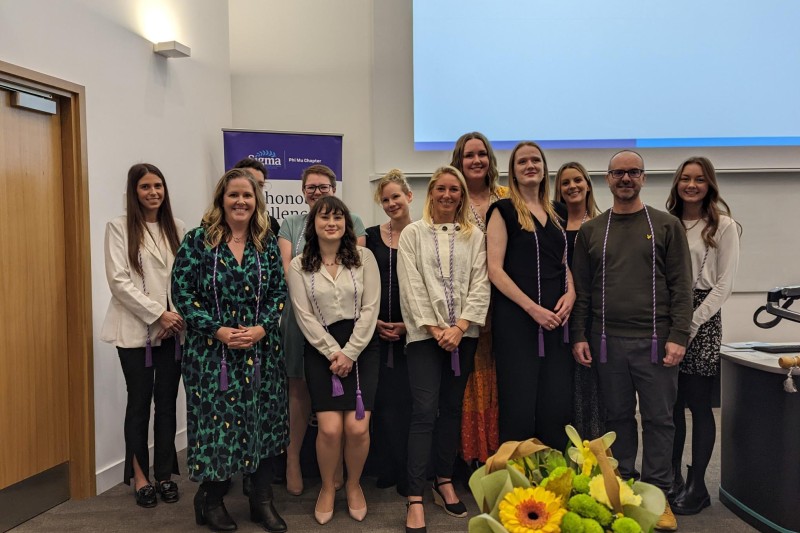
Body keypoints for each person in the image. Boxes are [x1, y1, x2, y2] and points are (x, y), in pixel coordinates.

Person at [570, 150, 693, 532]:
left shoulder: (666, 225)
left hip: (656, 342)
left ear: (643, 178)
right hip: (607, 341)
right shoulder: (592, 231)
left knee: (659, 420)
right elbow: (583, 291)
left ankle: (658, 498)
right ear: (607, 179)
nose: (626, 178)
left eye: (633, 172)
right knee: (617, 419)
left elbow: (682, 287)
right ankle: (622, 491)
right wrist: (578, 335)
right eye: (618, 173)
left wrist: (679, 336)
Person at [172, 169, 288, 532]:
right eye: (233, 195)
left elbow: (278, 293)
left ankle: (261, 499)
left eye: (248, 196)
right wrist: (218, 330)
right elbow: (182, 294)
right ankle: (211, 498)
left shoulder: (266, 242)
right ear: (221, 199)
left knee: (262, 423)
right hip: (211, 356)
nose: (241, 201)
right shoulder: (197, 241)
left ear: (257, 201)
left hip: (260, 353)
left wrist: (262, 328)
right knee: (215, 427)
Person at [398, 166, 490, 533]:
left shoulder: (474, 236)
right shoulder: (412, 234)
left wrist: (461, 327)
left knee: (451, 408)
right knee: (423, 411)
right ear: (431, 192)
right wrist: (437, 329)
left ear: (462, 195)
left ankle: (444, 479)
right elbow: (412, 286)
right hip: (424, 336)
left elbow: (480, 283)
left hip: (463, 336)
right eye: (441, 189)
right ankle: (415, 496)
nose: (448, 195)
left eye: (455, 189)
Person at [286, 196, 380, 525]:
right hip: (320, 349)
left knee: (356, 427)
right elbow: (304, 315)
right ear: (313, 225)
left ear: (347, 224)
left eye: (338, 218)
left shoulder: (364, 257)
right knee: (328, 429)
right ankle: (328, 487)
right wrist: (332, 352)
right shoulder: (299, 264)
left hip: (362, 347)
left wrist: (350, 352)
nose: (332, 223)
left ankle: (353, 485)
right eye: (324, 218)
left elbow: (370, 309)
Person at [277, 164, 367, 496]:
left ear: (334, 189)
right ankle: (293, 461)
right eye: (311, 187)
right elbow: (289, 269)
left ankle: (340, 467)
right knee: (298, 389)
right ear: (303, 191)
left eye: (324, 187)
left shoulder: (352, 220)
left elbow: (353, 265)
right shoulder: (290, 224)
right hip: (300, 318)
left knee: (342, 393)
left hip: (342, 320)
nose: (317, 192)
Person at [100, 163, 185, 508]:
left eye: (158, 186)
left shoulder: (177, 228)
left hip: (173, 331)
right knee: (139, 404)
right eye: (146, 187)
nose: (153, 193)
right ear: (134, 192)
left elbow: (183, 278)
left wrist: (174, 316)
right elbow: (118, 281)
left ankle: (164, 473)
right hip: (136, 332)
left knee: (167, 404)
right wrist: (157, 314)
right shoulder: (119, 228)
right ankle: (140, 476)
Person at [487, 143, 574, 448]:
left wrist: (571, 293)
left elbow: (564, 262)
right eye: (522, 161)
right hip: (517, 321)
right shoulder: (502, 210)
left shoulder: (559, 211)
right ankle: (518, 482)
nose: (530, 165)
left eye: (535, 160)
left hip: (557, 320)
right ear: (513, 170)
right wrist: (532, 308)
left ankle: (553, 481)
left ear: (544, 167)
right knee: (520, 404)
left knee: (556, 403)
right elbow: (495, 270)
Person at [665, 157, 740, 515]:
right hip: (668, 316)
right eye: (685, 178)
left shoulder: (723, 225)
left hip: (702, 318)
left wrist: (690, 325)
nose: (691, 185)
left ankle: (698, 487)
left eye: (698, 179)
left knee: (697, 403)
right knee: (672, 405)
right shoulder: (669, 223)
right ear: (677, 183)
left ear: (709, 184)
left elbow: (724, 285)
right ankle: (674, 479)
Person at [449, 132, 507, 465]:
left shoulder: (506, 196)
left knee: (500, 377)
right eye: (469, 155)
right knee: (469, 379)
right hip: (465, 304)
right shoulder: (451, 199)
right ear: (459, 160)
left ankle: (496, 455)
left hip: (507, 302)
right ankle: (469, 455)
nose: (476, 161)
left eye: (482, 154)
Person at [365, 169, 414, 496]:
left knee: (411, 403)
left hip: (414, 331)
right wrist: (373, 324)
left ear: (409, 196)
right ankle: (388, 466)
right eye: (385, 199)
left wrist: (409, 325)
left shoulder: (423, 233)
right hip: (377, 329)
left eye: (396, 196)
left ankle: (410, 469)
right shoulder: (368, 235)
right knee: (382, 402)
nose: (392, 203)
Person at [553, 162, 605, 440]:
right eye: (565, 183)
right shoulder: (551, 226)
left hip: (590, 314)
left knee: (591, 388)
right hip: (557, 314)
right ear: (558, 190)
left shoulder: (602, 225)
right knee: (562, 388)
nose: (572, 186)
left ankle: (595, 453)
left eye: (577, 180)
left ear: (587, 184)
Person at [232, 157, 281, 236]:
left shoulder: (270, 224)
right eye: (250, 182)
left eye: (260, 185)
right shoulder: (212, 226)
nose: (255, 189)